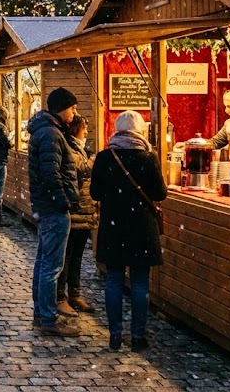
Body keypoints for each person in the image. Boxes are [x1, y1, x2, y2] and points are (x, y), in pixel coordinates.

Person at [89, 110, 167, 352]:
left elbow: (95, 193)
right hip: (141, 227)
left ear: (117, 129)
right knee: (140, 282)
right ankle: (137, 336)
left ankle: (114, 334)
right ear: (140, 130)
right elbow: (159, 194)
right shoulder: (148, 157)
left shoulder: (105, 157)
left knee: (113, 280)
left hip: (114, 226)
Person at [27, 87, 81, 337]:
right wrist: (63, 201)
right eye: (72, 108)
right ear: (61, 108)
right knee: (51, 265)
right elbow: (51, 174)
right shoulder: (51, 133)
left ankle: (42, 313)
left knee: (44, 262)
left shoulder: (47, 130)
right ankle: (47, 317)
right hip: (53, 208)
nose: (74, 113)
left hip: (46, 206)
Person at [57, 115, 98, 317]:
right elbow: (77, 169)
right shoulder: (70, 148)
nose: (87, 132)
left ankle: (74, 294)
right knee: (67, 255)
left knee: (77, 256)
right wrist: (92, 161)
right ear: (75, 130)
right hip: (74, 208)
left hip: (84, 209)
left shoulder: (79, 147)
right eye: (84, 128)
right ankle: (61, 297)